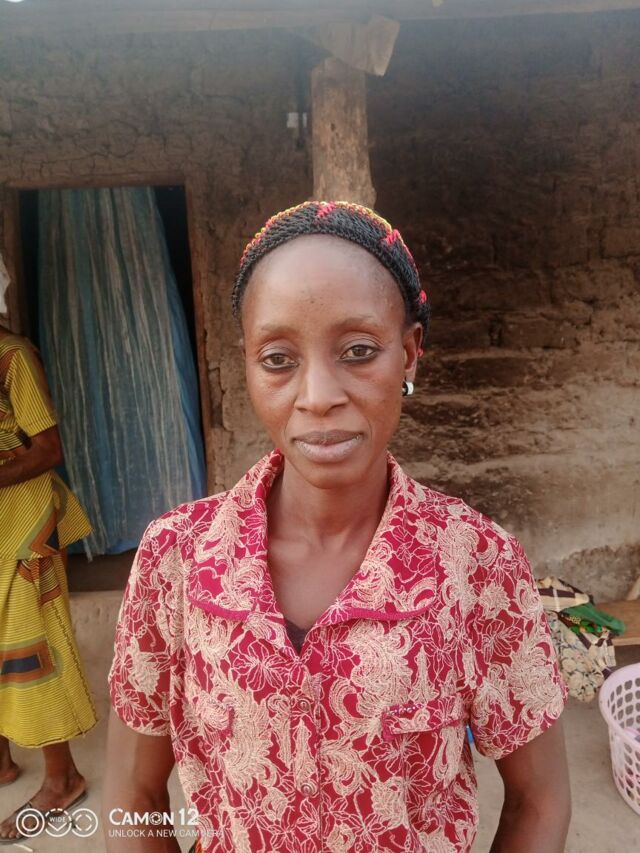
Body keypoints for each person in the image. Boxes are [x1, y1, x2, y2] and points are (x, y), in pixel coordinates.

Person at [104, 201, 571, 853]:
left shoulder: (477, 562)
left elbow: (538, 800)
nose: (318, 394)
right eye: (278, 358)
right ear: (247, 364)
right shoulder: (176, 557)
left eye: (358, 351)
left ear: (409, 354)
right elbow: (133, 795)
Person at [0, 325, 97, 841]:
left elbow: (47, 448)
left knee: (33, 651)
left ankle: (63, 780)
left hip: (26, 528)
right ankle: (3, 762)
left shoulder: (11, 357)